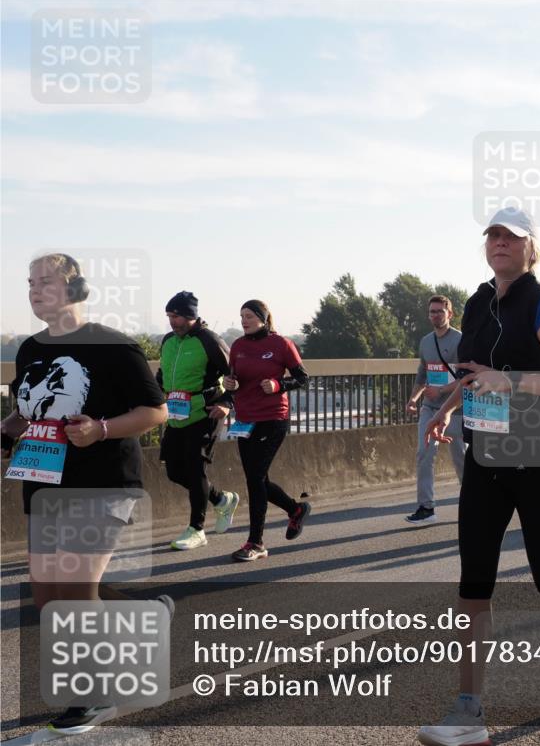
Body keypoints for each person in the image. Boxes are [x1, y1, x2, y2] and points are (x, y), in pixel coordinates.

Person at [416, 206, 540, 746]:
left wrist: (508, 381)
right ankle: (468, 712)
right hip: (486, 461)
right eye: (494, 235)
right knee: (473, 583)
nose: (501, 243)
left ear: (532, 249)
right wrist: (448, 408)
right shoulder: (478, 302)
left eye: (513, 237)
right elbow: (473, 372)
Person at [1, 253, 168, 734]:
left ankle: (94, 694)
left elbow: (156, 411)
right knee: (47, 598)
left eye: (45, 281)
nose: (34, 290)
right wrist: (7, 430)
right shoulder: (30, 348)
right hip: (43, 482)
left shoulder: (114, 346)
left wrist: (101, 428)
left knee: (74, 593)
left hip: (103, 483)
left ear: (75, 286)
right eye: (29, 282)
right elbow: (25, 411)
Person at [222, 300, 311, 561]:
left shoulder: (281, 344)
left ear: (262, 317)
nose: (244, 321)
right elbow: (233, 380)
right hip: (245, 420)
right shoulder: (237, 346)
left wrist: (278, 385)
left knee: (255, 478)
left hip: (273, 418)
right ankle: (295, 509)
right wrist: (230, 384)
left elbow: (303, 378)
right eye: (241, 316)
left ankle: (256, 543)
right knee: (257, 478)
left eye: (249, 316)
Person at [157, 291, 240, 549]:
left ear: (191, 316)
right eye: (170, 316)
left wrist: (227, 404)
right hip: (176, 413)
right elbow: (163, 374)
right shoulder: (168, 340)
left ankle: (197, 529)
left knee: (195, 468)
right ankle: (221, 500)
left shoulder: (209, 340)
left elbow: (236, 375)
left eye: (177, 316)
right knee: (173, 470)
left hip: (205, 412)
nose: (172, 321)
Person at [404, 295, 466, 525]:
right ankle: (426, 507)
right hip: (430, 408)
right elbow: (423, 373)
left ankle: (473, 502)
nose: (435, 316)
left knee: (460, 457)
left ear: (450, 314)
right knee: (424, 453)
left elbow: (465, 378)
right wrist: (413, 399)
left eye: (440, 311)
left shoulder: (461, 340)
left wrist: (441, 391)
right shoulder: (426, 341)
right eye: (432, 312)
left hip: (455, 408)